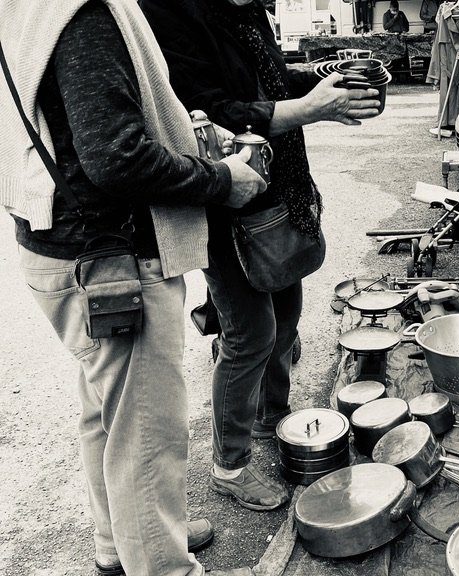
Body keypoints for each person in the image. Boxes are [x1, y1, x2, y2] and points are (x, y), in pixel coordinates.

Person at [0, 1, 266, 575]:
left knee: (108, 417)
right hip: (108, 259)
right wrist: (221, 179)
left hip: (60, 246)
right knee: (148, 436)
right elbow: (115, 158)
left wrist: (179, 126)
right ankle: (162, 564)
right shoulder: (85, 11)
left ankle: (121, 544)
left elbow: (80, 128)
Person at [140, 0, 381, 512]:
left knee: (286, 316)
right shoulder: (170, 12)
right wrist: (314, 109)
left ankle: (273, 417)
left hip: (278, 188)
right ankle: (230, 464)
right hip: (224, 195)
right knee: (250, 334)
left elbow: (266, 77)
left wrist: (324, 80)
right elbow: (213, 115)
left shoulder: (245, 12)